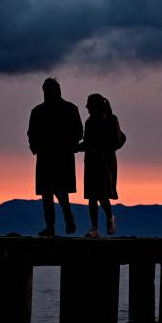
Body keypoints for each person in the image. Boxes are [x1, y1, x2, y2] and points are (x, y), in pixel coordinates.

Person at [27, 78, 82, 236]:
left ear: (57, 90)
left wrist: (69, 144)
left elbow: (79, 131)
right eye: (47, 90)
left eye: (51, 90)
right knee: (47, 193)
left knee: (60, 191)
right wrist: (34, 146)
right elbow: (32, 132)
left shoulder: (70, 109)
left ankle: (66, 219)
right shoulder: (38, 111)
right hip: (47, 156)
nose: (49, 93)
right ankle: (51, 226)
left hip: (61, 156)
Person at [78, 93, 126, 238]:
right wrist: (75, 148)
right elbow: (86, 142)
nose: (87, 108)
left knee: (103, 195)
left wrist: (106, 151)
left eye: (89, 105)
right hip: (92, 161)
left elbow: (119, 140)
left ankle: (110, 217)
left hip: (105, 163)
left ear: (95, 106)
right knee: (92, 197)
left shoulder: (112, 120)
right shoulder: (89, 122)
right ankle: (94, 228)